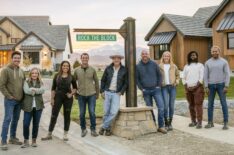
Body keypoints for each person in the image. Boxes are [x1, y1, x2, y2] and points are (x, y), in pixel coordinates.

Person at [41, 61, 77, 141]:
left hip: (68, 99)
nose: (65, 67)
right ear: (61, 66)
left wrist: (71, 94)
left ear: (69, 67)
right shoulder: (57, 76)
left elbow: (75, 88)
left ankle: (65, 135)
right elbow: (53, 88)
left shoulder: (71, 76)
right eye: (64, 66)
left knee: (67, 116)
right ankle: (49, 134)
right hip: (58, 97)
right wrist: (52, 99)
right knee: (54, 115)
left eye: (67, 66)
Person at [136, 50, 167, 134]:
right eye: (143, 54)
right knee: (149, 109)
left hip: (156, 90)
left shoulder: (154, 64)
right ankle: (153, 124)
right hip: (146, 91)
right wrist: (141, 88)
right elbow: (137, 79)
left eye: (146, 54)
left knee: (161, 107)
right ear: (141, 55)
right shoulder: (138, 66)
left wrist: (158, 85)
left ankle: (161, 126)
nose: (145, 55)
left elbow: (160, 75)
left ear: (148, 55)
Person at [0, 51, 25, 150]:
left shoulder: (21, 71)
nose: (17, 60)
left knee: (15, 120)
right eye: (15, 58)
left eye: (19, 58)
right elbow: (1, 85)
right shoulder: (5, 70)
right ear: (12, 58)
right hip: (10, 100)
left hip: (19, 101)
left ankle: (13, 138)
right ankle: (3, 140)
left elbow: (23, 85)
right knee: (7, 119)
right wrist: (9, 96)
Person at [99, 53, 128, 136]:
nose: (116, 60)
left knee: (114, 112)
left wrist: (121, 91)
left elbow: (126, 83)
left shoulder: (124, 69)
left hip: (116, 93)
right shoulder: (108, 68)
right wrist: (102, 91)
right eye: (114, 58)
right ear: (112, 59)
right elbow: (103, 80)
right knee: (106, 112)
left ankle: (103, 127)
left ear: (120, 60)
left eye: (118, 58)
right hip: (107, 92)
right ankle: (107, 129)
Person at [204, 46, 230, 130]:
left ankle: (225, 123)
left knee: (223, 103)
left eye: (216, 51)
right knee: (210, 104)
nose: (214, 53)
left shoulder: (224, 62)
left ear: (219, 51)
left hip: (221, 85)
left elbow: (227, 74)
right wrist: (206, 86)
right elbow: (205, 75)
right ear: (211, 52)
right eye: (213, 51)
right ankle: (210, 122)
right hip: (211, 86)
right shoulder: (207, 62)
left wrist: (226, 85)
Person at [74, 53, 99, 137]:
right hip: (81, 95)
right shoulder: (76, 70)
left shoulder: (92, 69)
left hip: (91, 94)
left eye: (86, 58)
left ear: (88, 59)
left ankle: (93, 129)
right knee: (82, 113)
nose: (85, 59)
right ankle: (83, 129)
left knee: (92, 112)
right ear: (81, 59)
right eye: (83, 58)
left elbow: (96, 82)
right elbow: (73, 83)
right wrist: (75, 94)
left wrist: (97, 93)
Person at [21, 67, 45, 148]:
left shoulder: (41, 82)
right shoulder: (26, 82)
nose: (34, 74)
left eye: (36, 73)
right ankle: (26, 141)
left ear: (38, 74)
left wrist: (33, 89)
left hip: (38, 107)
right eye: (33, 73)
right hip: (28, 106)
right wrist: (36, 90)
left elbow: (42, 90)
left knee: (36, 124)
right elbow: (26, 91)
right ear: (30, 74)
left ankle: (34, 140)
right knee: (26, 124)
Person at [182, 51, 204, 129]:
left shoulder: (200, 65)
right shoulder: (186, 66)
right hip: (188, 88)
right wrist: (186, 86)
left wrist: (195, 86)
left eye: (194, 55)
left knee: (198, 105)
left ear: (197, 56)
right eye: (191, 55)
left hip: (198, 88)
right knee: (191, 105)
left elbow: (201, 78)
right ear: (189, 57)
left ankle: (199, 122)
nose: (193, 56)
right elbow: (183, 78)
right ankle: (193, 121)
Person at [159, 51, 180, 131]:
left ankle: (170, 123)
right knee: (166, 105)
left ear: (170, 57)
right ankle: (166, 122)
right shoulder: (160, 66)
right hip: (164, 87)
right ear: (163, 57)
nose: (166, 57)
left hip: (172, 87)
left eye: (168, 56)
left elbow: (178, 75)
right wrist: (160, 83)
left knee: (171, 105)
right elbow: (158, 76)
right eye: (165, 56)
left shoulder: (173, 66)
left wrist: (177, 81)